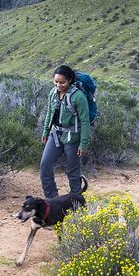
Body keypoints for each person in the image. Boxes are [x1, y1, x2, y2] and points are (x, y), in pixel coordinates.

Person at [40, 65, 91, 198]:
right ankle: (51, 198)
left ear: (69, 80)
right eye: (56, 82)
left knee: (73, 171)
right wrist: (46, 131)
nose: (58, 85)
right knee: (45, 165)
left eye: (62, 82)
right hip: (55, 134)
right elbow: (49, 113)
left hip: (73, 137)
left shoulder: (78, 97)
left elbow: (85, 121)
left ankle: (76, 201)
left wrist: (83, 143)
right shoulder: (53, 93)